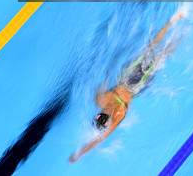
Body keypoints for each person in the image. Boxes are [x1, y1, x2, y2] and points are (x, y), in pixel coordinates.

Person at [69, 9, 185, 163]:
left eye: (104, 113)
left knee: (151, 50)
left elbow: (101, 83)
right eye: (106, 116)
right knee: (161, 57)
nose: (107, 112)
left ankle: (174, 21)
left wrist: (105, 76)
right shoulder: (115, 117)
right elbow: (98, 140)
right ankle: (180, 36)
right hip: (137, 87)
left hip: (127, 78)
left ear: (100, 113)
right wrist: (80, 153)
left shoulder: (101, 101)